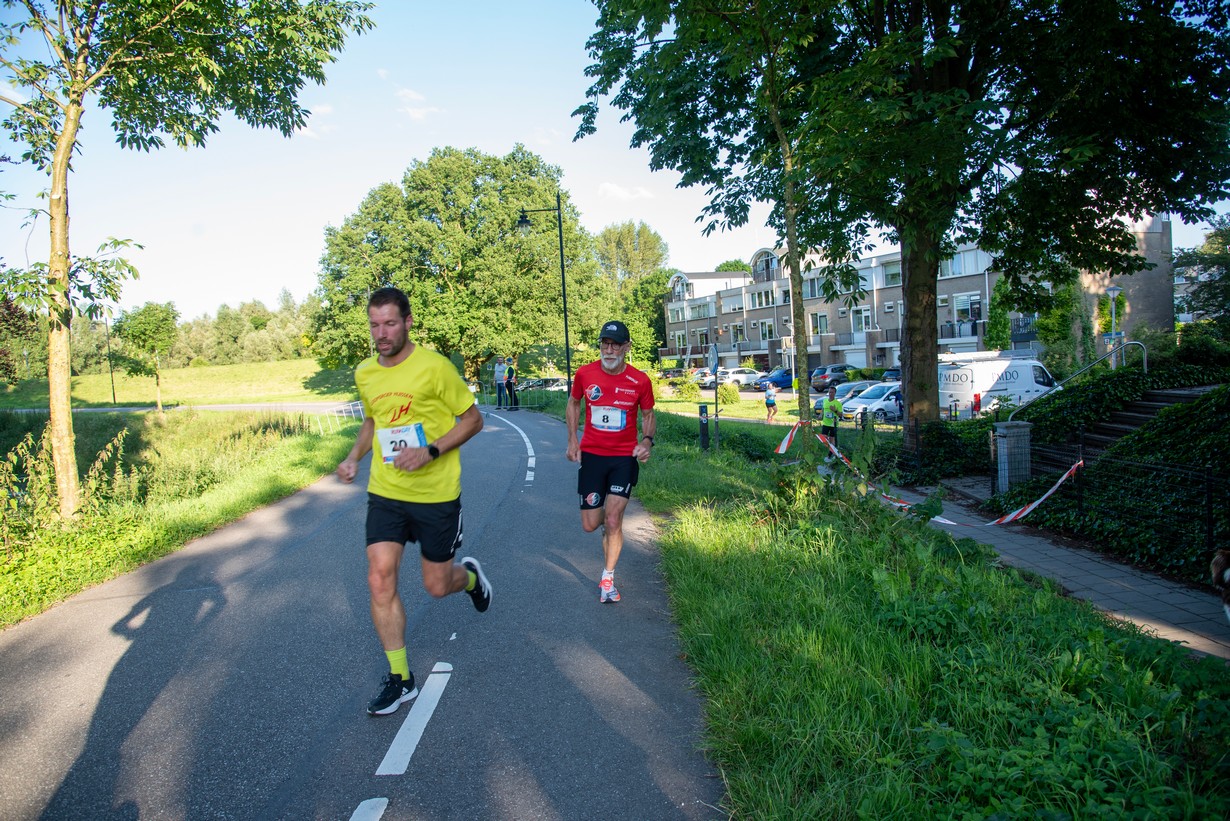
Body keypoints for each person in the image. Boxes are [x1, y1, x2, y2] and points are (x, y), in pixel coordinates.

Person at [337, 286, 493, 717]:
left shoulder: (435, 368)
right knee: (378, 578)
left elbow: (473, 419)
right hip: (386, 492)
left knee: (436, 586)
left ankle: (474, 580)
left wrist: (431, 451)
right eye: (374, 325)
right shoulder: (366, 373)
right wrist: (353, 457)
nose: (381, 333)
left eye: (389, 323)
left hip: (436, 494)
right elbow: (373, 420)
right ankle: (401, 679)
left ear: (408, 323)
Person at [566, 320, 655, 603]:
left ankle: (607, 579)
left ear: (626, 347)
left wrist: (646, 441)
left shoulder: (640, 380)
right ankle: (607, 520)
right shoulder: (584, 374)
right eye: (605, 343)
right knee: (591, 525)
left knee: (614, 520)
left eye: (616, 344)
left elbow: (649, 414)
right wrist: (572, 439)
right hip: (592, 456)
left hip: (623, 459)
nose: (609, 349)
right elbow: (574, 402)